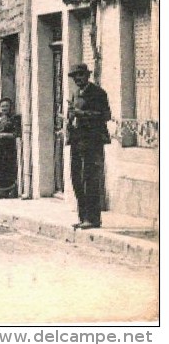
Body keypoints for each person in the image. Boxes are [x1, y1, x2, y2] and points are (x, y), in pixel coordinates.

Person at [66, 63, 111, 230]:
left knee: (90, 178)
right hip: (77, 141)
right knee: (77, 178)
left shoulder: (98, 93)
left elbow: (106, 115)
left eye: (80, 75)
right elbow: (73, 114)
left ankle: (93, 219)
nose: (77, 79)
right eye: (74, 77)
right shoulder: (75, 94)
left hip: (92, 141)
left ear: (87, 76)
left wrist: (83, 114)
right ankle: (83, 216)